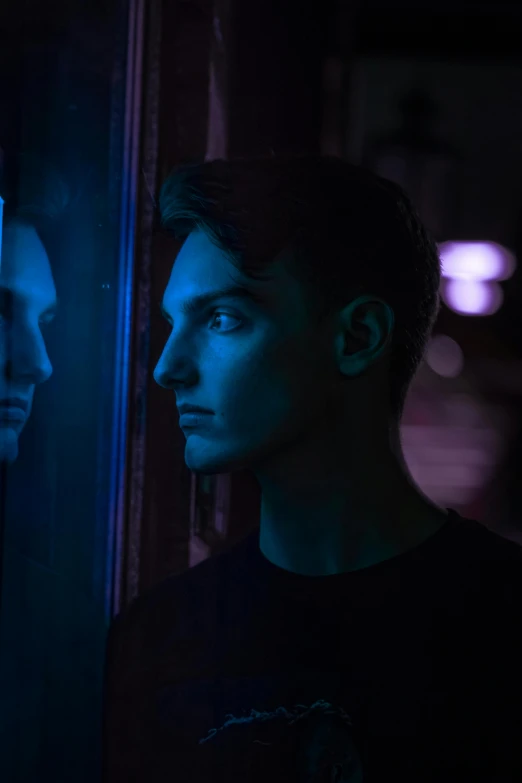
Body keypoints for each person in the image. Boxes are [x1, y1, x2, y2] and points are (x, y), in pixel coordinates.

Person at [103, 157, 522, 782]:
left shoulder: (505, 620)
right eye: (174, 323)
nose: (168, 367)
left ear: (357, 338)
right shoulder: (158, 638)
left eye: (222, 319)